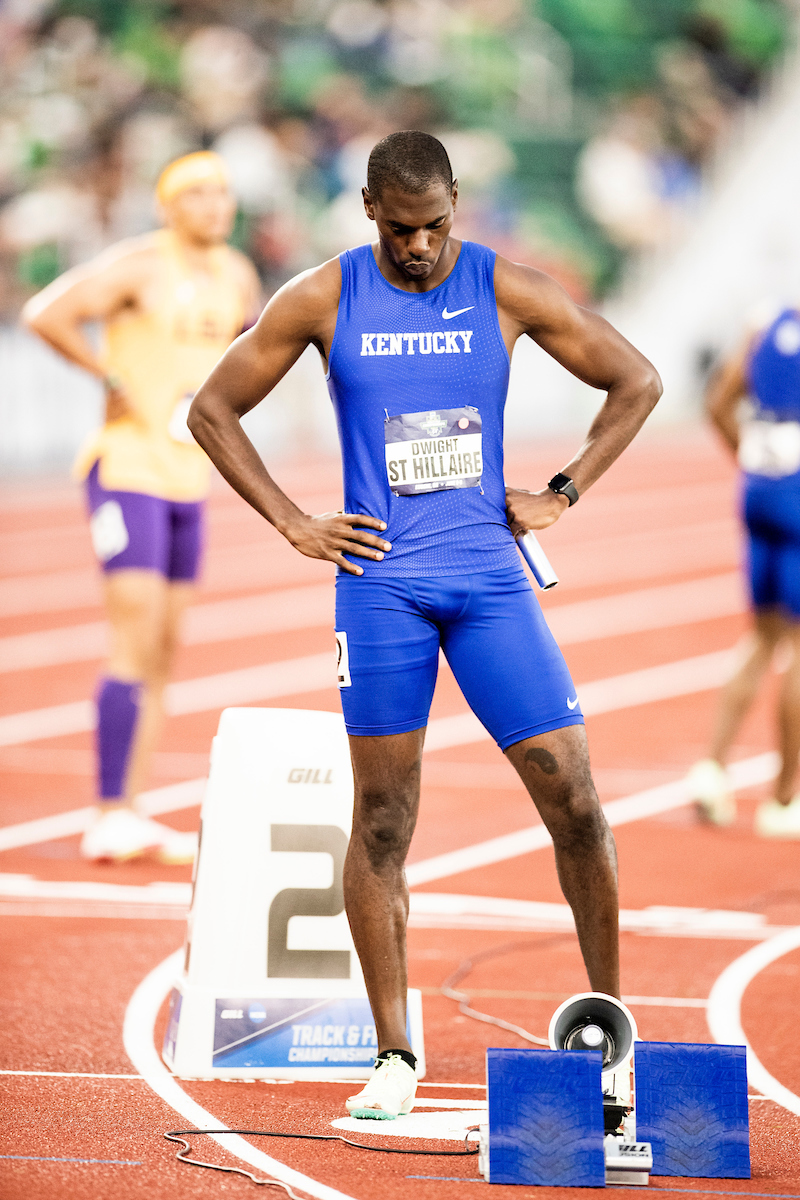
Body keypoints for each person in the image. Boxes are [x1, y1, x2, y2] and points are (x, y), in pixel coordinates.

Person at [187, 131, 661, 1117]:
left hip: (489, 583)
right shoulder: (324, 296)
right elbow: (211, 410)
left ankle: (609, 1031)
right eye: (401, 229)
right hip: (381, 589)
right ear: (369, 209)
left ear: (456, 205)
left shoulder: (504, 287)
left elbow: (637, 380)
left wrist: (564, 490)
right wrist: (291, 521)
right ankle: (394, 1054)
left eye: (435, 225)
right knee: (382, 819)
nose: (418, 246)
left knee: (573, 798)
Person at [23, 151, 261, 863]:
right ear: (167, 206)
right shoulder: (140, 265)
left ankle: (133, 808)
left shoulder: (238, 275)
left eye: (223, 192)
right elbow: (46, 314)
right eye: (198, 193)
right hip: (127, 470)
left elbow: (250, 352)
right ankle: (108, 811)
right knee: (133, 637)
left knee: (164, 650)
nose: (215, 204)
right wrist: (108, 376)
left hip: (190, 476)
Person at [687, 304, 800, 838]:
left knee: (762, 636)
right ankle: (784, 799)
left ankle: (713, 768)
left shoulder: (763, 326)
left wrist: (754, 460)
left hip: (759, 491)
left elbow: (717, 403)